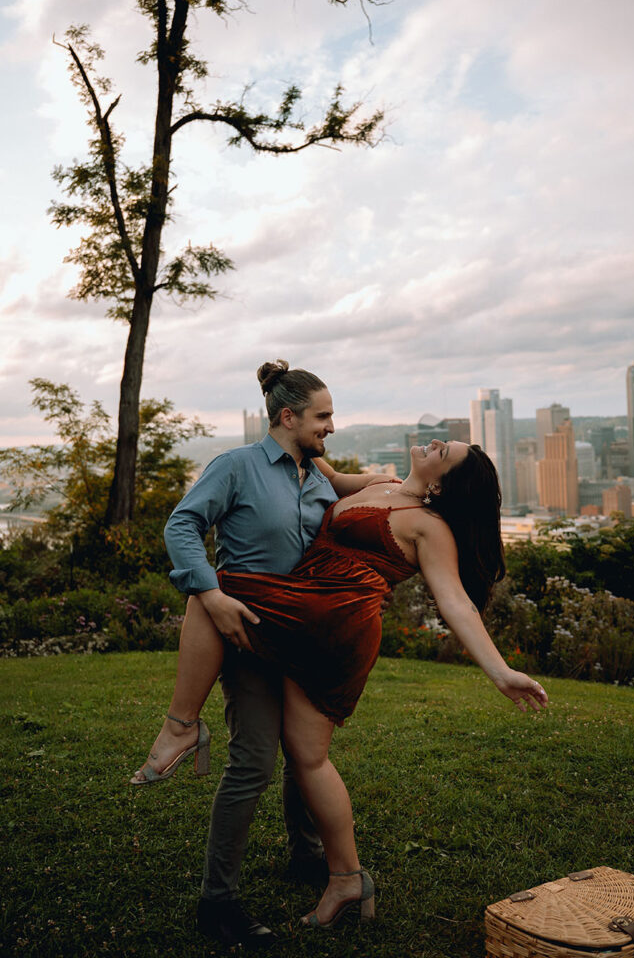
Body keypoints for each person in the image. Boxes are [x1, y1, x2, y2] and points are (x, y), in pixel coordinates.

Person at [132, 380, 548, 941]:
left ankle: (181, 727)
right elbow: (317, 465)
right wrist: (278, 394)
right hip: (302, 610)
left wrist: (499, 670)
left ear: (446, 480)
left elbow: (455, 602)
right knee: (305, 755)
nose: (430, 444)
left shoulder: (431, 526)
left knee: (217, 587)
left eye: (441, 452)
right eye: (322, 416)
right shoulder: (374, 483)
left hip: (334, 627)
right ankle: (342, 875)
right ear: (290, 416)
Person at [131, 359, 397, 949]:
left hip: (306, 640)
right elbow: (182, 526)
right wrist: (209, 594)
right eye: (323, 415)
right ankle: (216, 901)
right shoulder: (237, 467)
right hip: (249, 634)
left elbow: (359, 492)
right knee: (253, 761)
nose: (331, 425)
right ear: (288, 416)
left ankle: (306, 856)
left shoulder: (317, 474)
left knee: (306, 755)